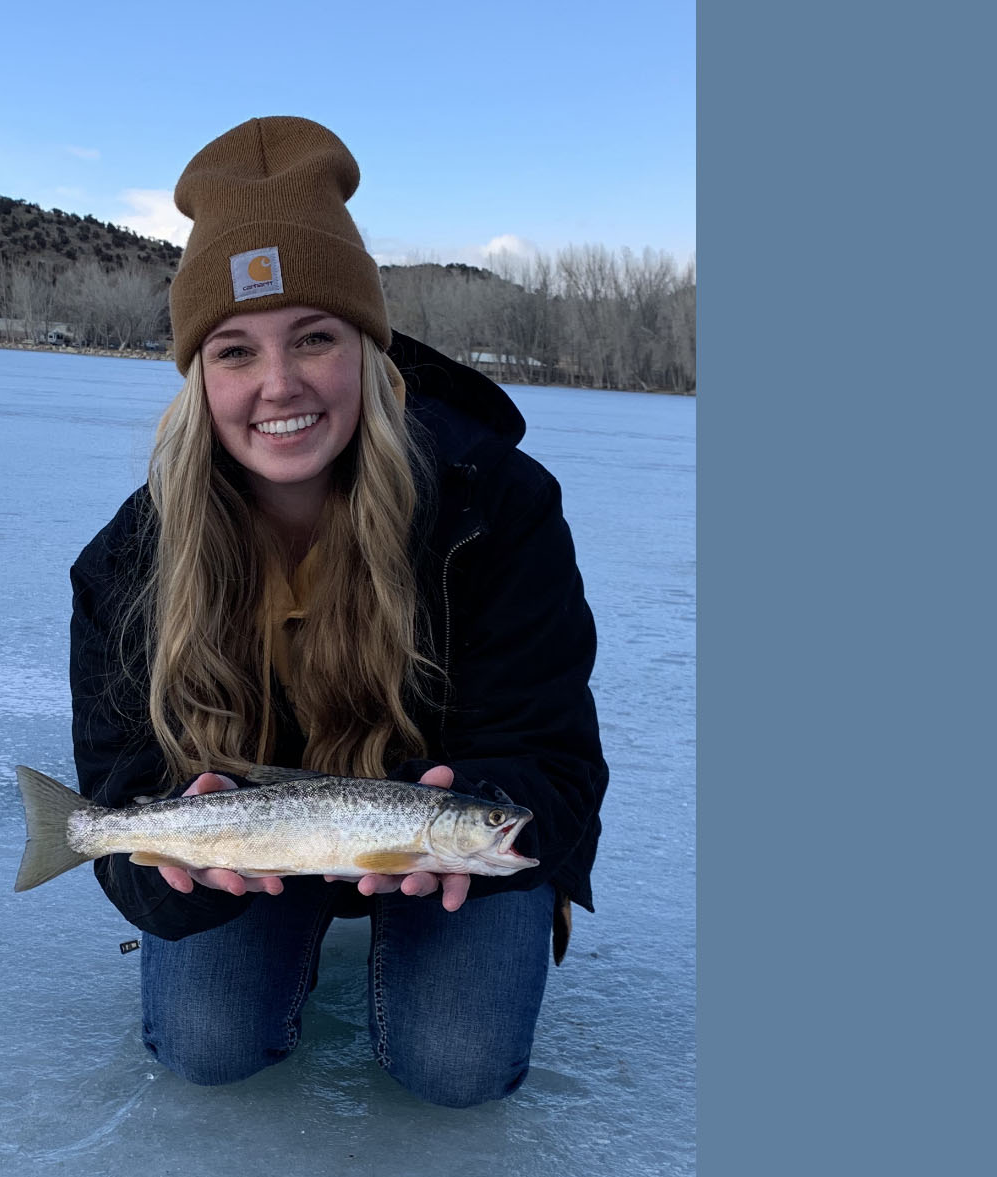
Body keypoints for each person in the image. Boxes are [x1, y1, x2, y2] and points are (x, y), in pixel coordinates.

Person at [68, 116, 607, 1109]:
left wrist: (486, 795)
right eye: (234, 351)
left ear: (366, 347)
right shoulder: (126, 562)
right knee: (203, 1044)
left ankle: (432, 928)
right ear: (197, 378)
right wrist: (162, 867)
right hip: (257, 851)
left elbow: (552, 752)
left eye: (313, 337)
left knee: (457, 1064)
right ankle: (285, 924)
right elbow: (122, 772)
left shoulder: (498, 506)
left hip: (430, 852)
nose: (279, 386)